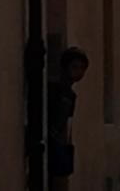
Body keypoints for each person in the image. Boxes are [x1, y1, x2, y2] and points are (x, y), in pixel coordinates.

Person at [47, 47, 89, 190]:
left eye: (82, 68)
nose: (78, 71)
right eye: (75, 67)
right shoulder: (53, 89)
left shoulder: (71, 95)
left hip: (56, 144)